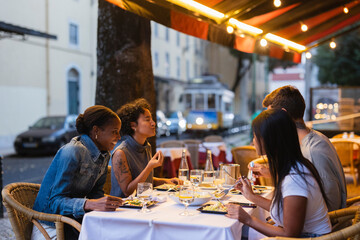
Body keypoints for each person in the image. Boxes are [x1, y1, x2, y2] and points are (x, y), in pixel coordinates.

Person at [227, 109, 331, 238]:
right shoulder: (293, 167)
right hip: (305, 234)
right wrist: (251, 196)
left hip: (309, 237)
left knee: (238, 232)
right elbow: (285, 210)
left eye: (255, 136)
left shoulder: (294, 178)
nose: (253, 141)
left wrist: (248, 219)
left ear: (270, 140)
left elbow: (289, 234)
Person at [32, 105, 123, 240]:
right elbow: (54, 202)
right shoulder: (72, 151)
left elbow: (95, 195)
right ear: (96, 131)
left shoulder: (105, 155)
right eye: (114, 131)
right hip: (50, 226)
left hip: (75, 222)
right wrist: (90, 204)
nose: (119, 136)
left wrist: (106, 203)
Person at [249, 85, 346, 212]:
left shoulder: (312, 151)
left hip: (325, 229)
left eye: (271, 115)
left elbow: (330, 206)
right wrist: (272, 173)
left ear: (283, 114)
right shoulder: (309, 139)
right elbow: (307, 183)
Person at [110, 98, 182, 198]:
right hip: (123, 208)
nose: (153, 123)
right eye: (147, 120)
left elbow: (145, 180)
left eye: (152, 119)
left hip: (143, 203)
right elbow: (127, 191)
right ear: (133, 125)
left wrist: (165, 181)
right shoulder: (121, 152)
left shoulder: (145, 146)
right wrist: (149, 167)